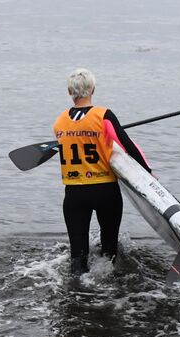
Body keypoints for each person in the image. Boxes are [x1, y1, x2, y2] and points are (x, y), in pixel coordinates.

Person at [53, 69, 152, 274]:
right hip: (105, 191)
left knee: (77, 259)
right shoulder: (103, 115)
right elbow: (128, 146)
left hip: (74, 194)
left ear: (69, 91)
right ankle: (109, 293)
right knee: (109, 252)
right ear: (93, 89)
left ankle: (77, 294)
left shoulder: (60, 121)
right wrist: (149, 173)